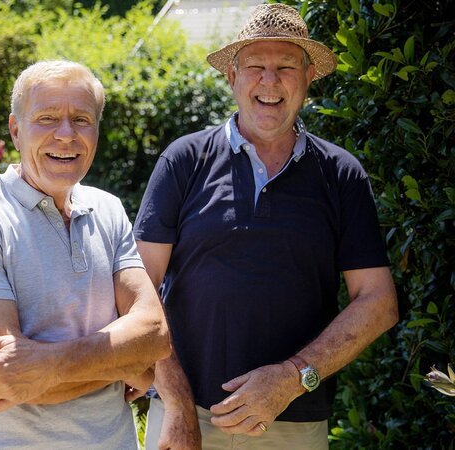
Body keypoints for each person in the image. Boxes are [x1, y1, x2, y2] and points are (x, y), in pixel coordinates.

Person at [133, 4, 399, 449]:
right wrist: (176, 405)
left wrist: (293, 377)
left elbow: (378, 302)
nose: (270, 81)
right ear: (232, 77)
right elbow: (137, 288)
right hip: (187, 419)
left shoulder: (341, 174)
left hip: (294, 424)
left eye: (286, 67)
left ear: (310, 77)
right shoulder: (184, 160)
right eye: (255, 66)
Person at [0, 60, 171, 449]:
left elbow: (155, 335)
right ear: (16, 130)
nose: (66, 134)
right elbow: (8, 380)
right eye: (46, 118)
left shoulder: (109, 209)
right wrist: (122, 362)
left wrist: (45, 365)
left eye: (82, 119)